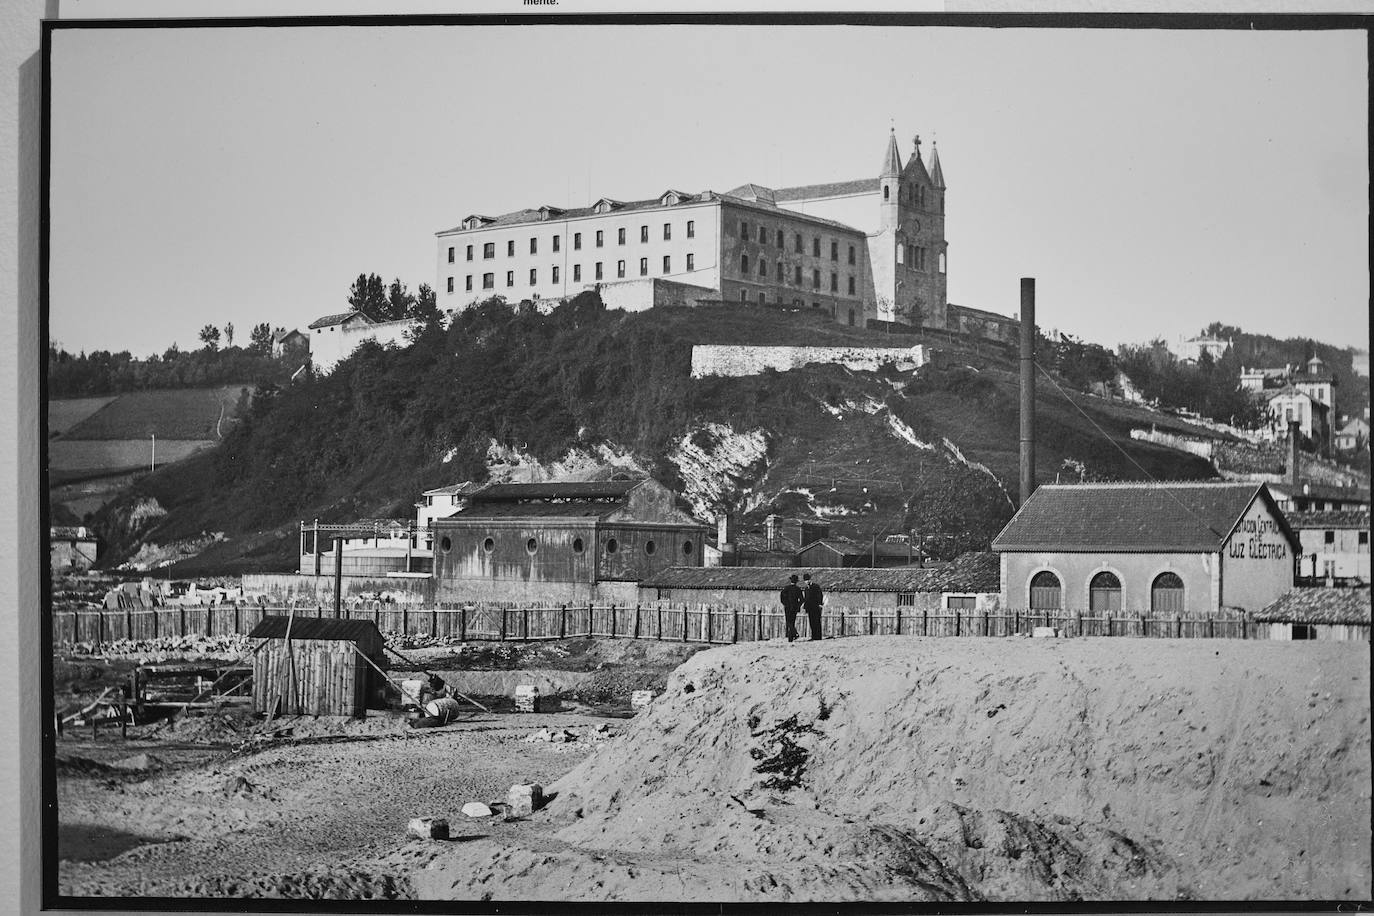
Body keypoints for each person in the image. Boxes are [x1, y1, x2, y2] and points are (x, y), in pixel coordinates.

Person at [779, 574, 804, 642]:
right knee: (792, 622)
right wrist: (797, 606)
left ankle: (794, 634)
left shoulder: (786, 588)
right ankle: (791, 637)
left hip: (788, 608)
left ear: (791, 581)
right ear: (796, 582)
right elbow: (802, 599)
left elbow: (782, 598)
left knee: (788, 622)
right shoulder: (798, 589)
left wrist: (785, 604)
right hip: (794, 608)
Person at [802, 573, 824, 641]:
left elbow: (820, 595)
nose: (807, 581)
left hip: (816, 607)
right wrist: (805, 606)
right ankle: (814, 636)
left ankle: (818, 636)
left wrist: (819, 604)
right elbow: (806, 598)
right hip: (810, 608)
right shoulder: (806, 589)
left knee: (817, 621)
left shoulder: (816, 586)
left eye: (808, 580)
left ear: (810, 580)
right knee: (812, 622)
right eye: (805, 580)